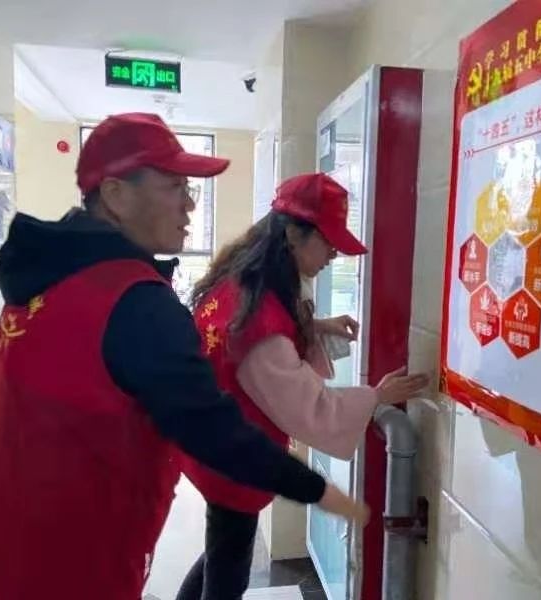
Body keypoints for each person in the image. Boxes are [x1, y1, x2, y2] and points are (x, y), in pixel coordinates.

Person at [0, 114, 368, 600]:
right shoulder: (135, 301)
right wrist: (321, 491)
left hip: (16, 537)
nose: (189, 204)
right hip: (79, 558)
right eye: (174, 187)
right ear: (115, 194)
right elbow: (216, 432)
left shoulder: (47, 272)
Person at [176, 173, 429, 600]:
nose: (334, 254)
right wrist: (376, 397)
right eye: (328, 242)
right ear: (294, 234)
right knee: (227, 573)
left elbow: (263, 339)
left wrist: (316, 325)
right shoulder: (260, 319)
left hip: (213, 442)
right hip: (235, 459)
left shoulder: (242, 281)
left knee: (221, 550)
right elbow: (308, 407)